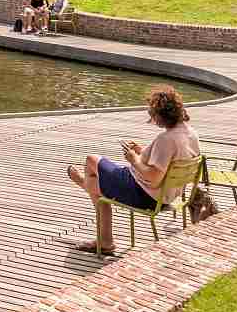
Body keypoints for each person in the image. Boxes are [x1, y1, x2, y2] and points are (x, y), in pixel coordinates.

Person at [68, 86, 202, 256]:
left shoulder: (166, 139)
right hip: (167, 195)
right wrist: (141, 151)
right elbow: (165, 162)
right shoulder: (191, 134)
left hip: (144, 195)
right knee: (96, 186)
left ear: (160, 116)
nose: (152, 119)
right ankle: (104, 239)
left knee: (91, 161)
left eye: (153, 115)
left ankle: (86, 187)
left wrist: (134, 158)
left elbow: (153, 178)